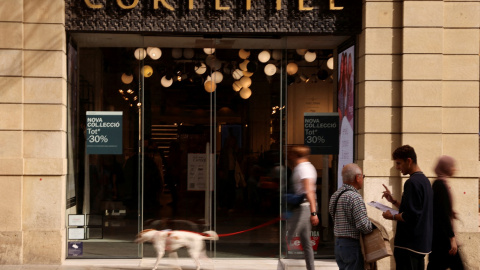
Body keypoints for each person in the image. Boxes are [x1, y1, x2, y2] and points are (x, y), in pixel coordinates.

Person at [381, 145, 433, 270]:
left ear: (409, 161)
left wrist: (391, 216)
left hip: (408, 245)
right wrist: (394, 201)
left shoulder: (412, 182)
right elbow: (416, 209)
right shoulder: (424, 181)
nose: (397, 167)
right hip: (420, 244)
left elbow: (411, 216)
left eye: (399, 163)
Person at [329, 163, 372, 270]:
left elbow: (332, 215)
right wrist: (372, 227)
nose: (363, 179)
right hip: (352, 244)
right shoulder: (355, 197)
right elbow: (363, 225)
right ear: (357, 178)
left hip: (339, 244)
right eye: (363, 176)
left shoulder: (336, 195)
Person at [427, 155, 465, 270]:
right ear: (446, 167)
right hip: (443, 240)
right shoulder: (440, 185)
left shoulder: (440, 184)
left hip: (439, 238)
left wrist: (451, 212)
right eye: (452, 166)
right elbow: (442, 214)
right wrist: (452, 238)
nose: (454, 169)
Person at [286, 145, 319, 270]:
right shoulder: (306, 167)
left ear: (295, 155)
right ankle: (311, 268)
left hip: (304, 207)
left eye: (291, 154)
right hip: (305, 206)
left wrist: (313, 212)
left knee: (290, 235)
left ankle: (283, 257)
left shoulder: (303, 169)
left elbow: (309, 191)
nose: (290, 157)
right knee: (306, 242)